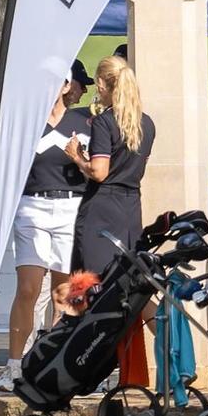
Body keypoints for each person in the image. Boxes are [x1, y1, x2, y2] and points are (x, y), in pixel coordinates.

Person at [0, 59, 94, 393]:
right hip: (31, 207)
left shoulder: (85, 121)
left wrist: (79, 158)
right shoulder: (26, 123)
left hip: (71, 207)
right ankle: (13, 365)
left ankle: (59, 365)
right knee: (27, 288)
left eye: (59, 81)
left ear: (68, 86)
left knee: (65, 291)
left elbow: (95, 169)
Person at [65, 54, 155, 275]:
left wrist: (77, 157)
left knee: (91, 280)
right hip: (131, 205)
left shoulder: (105, 121)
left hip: (102, 205)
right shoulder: (147, 123)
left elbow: (99, 172)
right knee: (126, 278)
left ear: (102, 84)